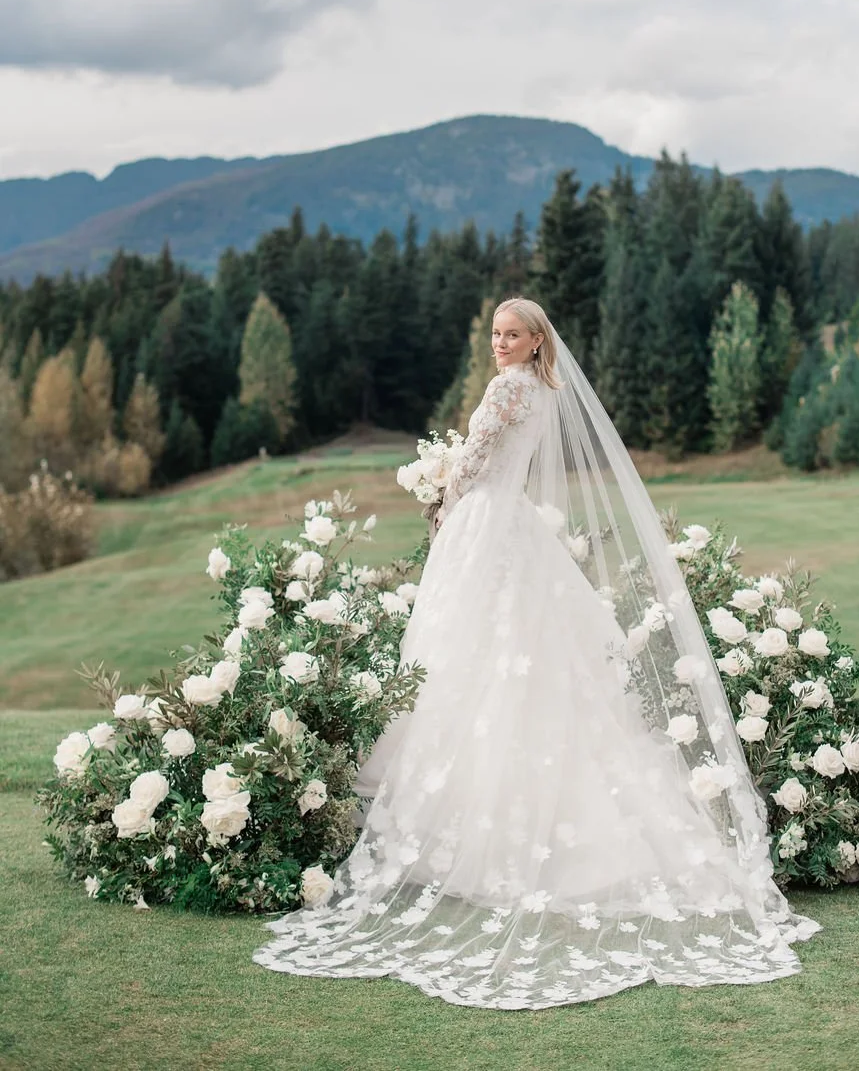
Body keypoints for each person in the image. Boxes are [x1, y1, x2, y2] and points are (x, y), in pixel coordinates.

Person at [253, 298, 819, 1009]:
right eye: (493, 333)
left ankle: (477, 832)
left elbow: (473, 461)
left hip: (484, 525)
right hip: (513, 526)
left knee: (472, 657)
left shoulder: (505, 389)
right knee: (523, 659)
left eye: (512, 333)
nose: (499, 343)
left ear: (535, 339)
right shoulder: (546, 392)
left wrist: (441, 495)